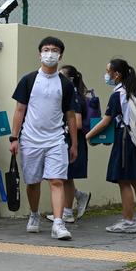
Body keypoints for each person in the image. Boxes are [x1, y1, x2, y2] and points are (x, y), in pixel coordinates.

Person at [10, 36, 77, 241]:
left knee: (57, 180)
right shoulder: (28, 80)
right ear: (39, 54)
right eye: (46, 49)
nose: (50, 53)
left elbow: (70, 115)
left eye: (54, 50)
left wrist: (74, 143)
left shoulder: (65, 84)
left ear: (60, 55)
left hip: (56, 139)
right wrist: (14, 138)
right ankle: (34, 214)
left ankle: (58, 223)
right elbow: (20, 110)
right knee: (33, 182)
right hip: (30, 139)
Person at [86, 59, 136, 234]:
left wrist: (89, 135)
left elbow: (107, 120)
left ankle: (128, 221)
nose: (106, 75)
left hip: (125, 140)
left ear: (117, 74)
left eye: (108, 72)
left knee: (124, 181)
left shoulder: (118, 95)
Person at [47, 65, 91, 223]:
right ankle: (75, 200)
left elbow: (77, 122)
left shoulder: (74, 96)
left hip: (72, 140)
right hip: (66, 138)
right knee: (65, 176)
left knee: (64, 176)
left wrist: (64, 125)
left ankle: (66, 211)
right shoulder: (67, 94)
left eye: (60, 76)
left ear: (69, 79)